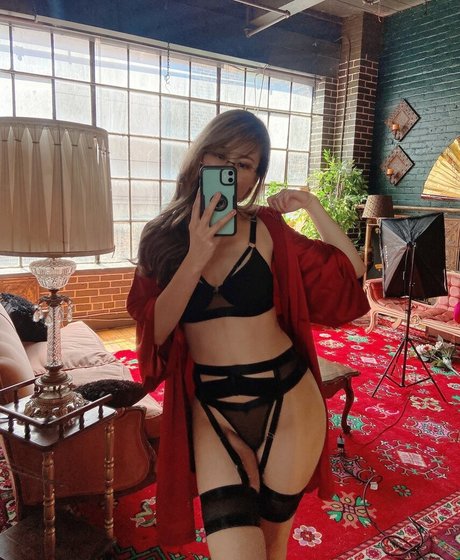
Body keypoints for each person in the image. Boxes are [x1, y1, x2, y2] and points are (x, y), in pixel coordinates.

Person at [127, 109, 370, 560]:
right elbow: (154, 330)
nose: (229, 170)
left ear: (254, 179)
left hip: (289, 397)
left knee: (273, 546)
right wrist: (196, 255)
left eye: (243, 164)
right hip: (213, 409)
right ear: (200, 158)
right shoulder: (159, 237)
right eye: (220, 156)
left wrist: (311, 205)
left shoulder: (267, 228)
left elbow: (350, 272)